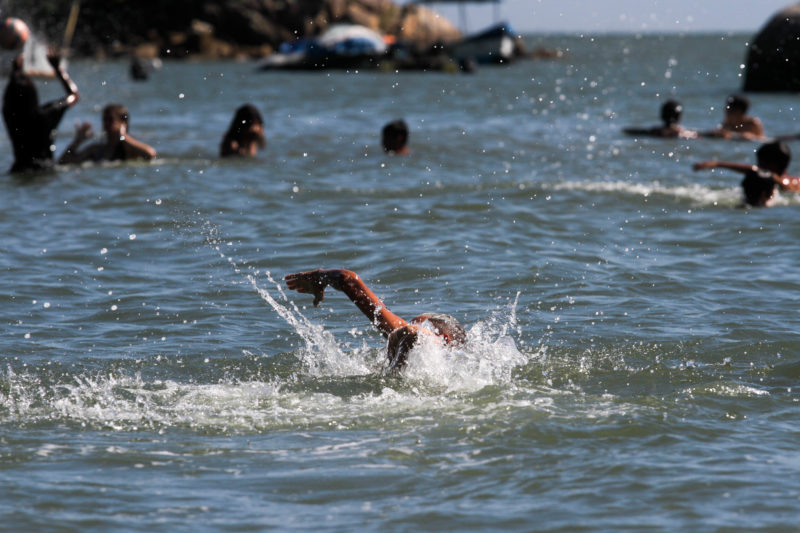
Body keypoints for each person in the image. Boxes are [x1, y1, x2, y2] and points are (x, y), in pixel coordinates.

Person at [284, 268, 466, 370]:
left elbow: (347, 279)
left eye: (423, 324)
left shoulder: (438, 347)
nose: (407, 323)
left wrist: (320, 277)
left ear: (445, 338)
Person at [2, 51, 79, 173]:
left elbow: (12, 93)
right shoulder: (45, 115)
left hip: (18, 170)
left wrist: (16, 69)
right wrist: (58, 69)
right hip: (43, 172)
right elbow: (74, 96)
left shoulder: (9, 116)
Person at [692, 140, 800, 207]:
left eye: (760, 163)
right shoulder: (777, 178)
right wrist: (717, 164)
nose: (758, 166)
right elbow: (751, 169)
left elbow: (753, 170)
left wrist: (717, 164)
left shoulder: (784, 182)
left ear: (773, 165)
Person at [58, 103, 156, 164]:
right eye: (104, 120)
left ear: (123, 123)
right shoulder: (96, 150)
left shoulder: (131, 148)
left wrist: (123, 136)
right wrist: (77, 141)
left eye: (110, 120)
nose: (106, 124)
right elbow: (64, 163)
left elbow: (150, 154)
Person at [623, 99, 697, 139]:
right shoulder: (684, 133)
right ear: (679, 117)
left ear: (662, 115)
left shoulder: (654, 131)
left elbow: (627, 131)